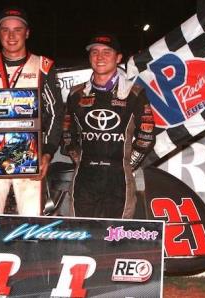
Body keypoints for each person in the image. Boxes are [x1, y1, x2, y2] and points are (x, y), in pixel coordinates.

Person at [0, 7, 64, 216]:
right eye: (5, 30)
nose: (11, 36)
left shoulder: (43, 67)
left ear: (27, 33)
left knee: (32, 222)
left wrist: (47, 153)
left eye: (17, 30)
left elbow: (56, 113)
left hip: (30, 156)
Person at [63, 33, 155, 218]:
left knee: (116, 239)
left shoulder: (133, 93)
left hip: (119, 178)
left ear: (118, 57)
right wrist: (78, 159)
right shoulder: (76, 94)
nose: (100, 57)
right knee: (82, 235)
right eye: (95, 52)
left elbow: (147, 136)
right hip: (85, 178)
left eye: (107, 52)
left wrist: (128, 164)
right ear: (89, 57)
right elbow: (67, 132)